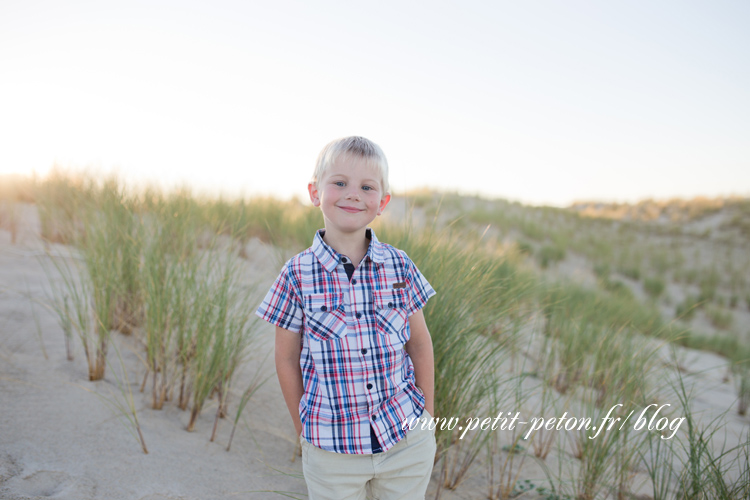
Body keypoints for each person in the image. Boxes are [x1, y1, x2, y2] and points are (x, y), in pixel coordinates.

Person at [256, 136, 437, 499]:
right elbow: (286, 358)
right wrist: (303, 431)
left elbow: (419, 344)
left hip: (405, 440)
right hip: (330, 448)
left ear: (382, 202)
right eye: (339, 182)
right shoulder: (297, 274)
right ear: (314, 192)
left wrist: (428, 419)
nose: (353, 194)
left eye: (366, 187)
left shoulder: (399, 265)